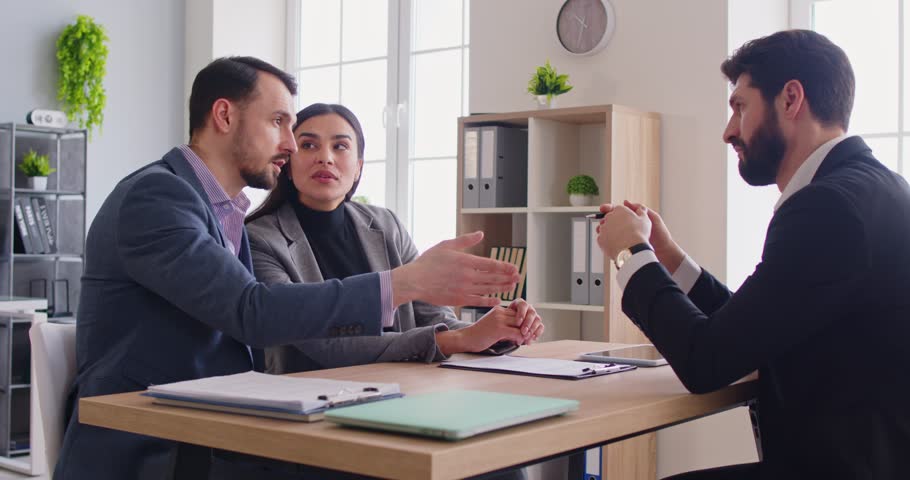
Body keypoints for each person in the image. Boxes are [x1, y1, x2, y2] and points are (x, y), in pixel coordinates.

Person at [55, 57, 520, 480]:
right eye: (278, 122)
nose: (289, 144)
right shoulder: (158, 197)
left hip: (217, 434)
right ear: (224, 116)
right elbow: (252, 311)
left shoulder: (222, 210)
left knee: (489, 461)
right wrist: (402, 284)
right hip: (153, 450)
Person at [596, 30, 910, 479]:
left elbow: (706, 362)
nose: (729, 131)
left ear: (791, 99)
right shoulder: (875, 188)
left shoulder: (828, 208)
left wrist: (630, 253)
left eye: (740, 107)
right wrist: (669, 259)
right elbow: (753, 330)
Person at [246, 103, 544, 373]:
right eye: (309, 145)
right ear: (288, 162)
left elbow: (432, 317)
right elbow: (323, 344)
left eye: (340, 146)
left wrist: (496, 330)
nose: (325, 158)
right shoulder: (260, 240)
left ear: (359, 167)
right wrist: (458, 339)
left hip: (401, 386)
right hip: (313, 398)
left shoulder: (385, 224)